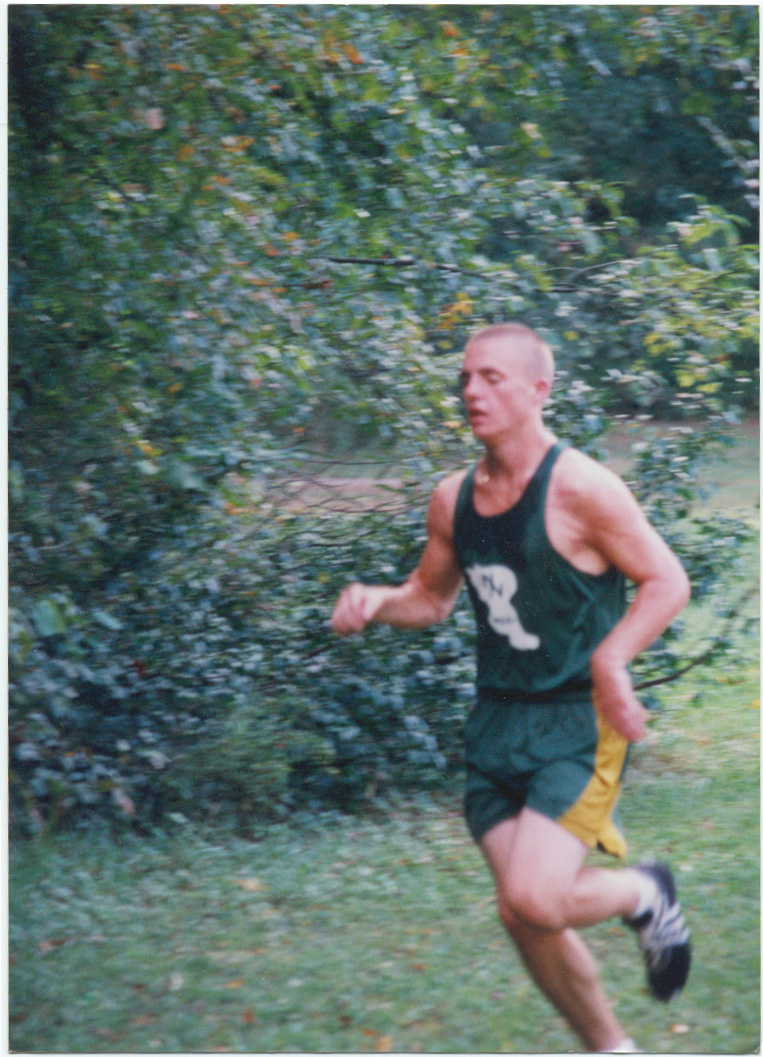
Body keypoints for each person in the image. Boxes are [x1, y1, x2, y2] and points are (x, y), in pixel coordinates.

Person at [331, 322, 692, 1054]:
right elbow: (429, 598)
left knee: (533, 895)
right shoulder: (453, 499)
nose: (471, 391)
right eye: (466, 377)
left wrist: (612, 659)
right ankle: (611, 1047)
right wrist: (377, 600)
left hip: (576, 724)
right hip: (496, 725)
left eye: (491, 378)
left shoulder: (582, 488)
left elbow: (666, 581)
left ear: (537, 390)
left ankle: (644, 892)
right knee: (522, 914)